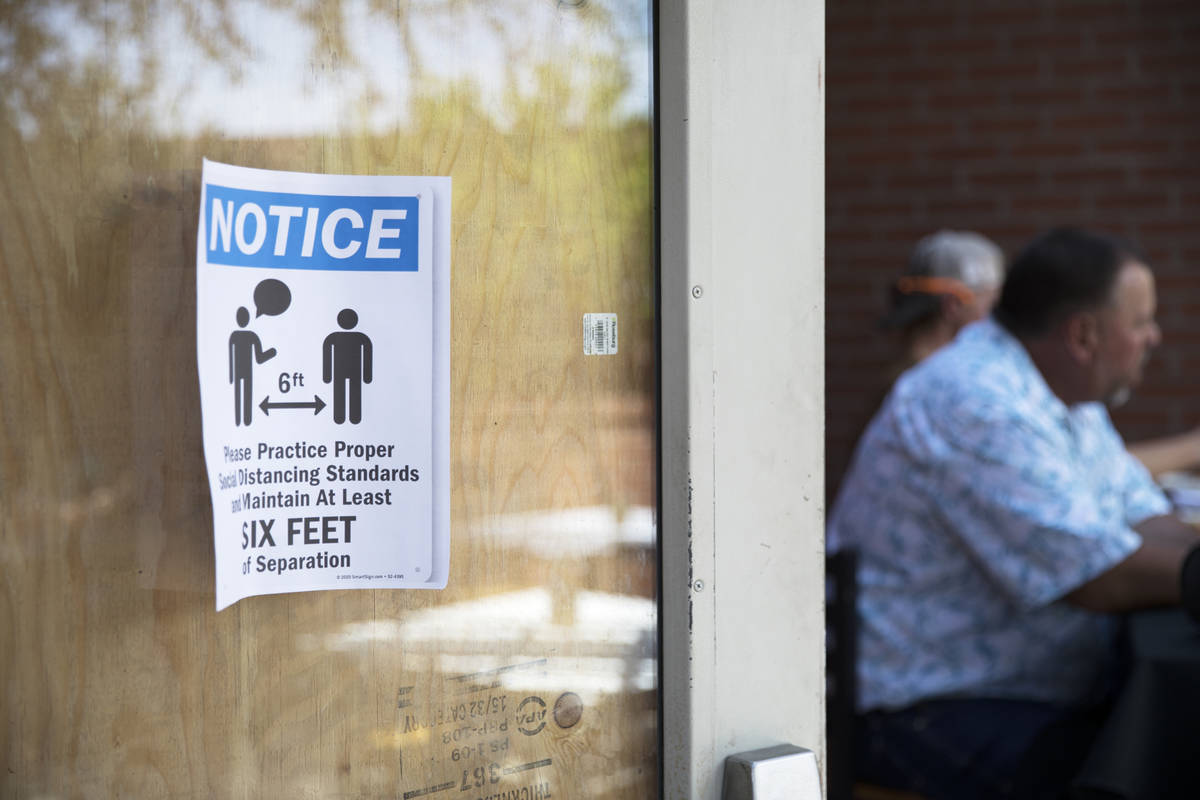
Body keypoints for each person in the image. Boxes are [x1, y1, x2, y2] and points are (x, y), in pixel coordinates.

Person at [828, 227, 1200, 800]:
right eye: (1141, 321)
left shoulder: (1061, 394)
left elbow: (1137, 512)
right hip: (922, 707)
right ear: (1084, 335)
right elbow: (1096, 576)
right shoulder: (975, 398)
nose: (1155, 337)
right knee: (1158, 769)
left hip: (1024, 687)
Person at [882, 230, 1200, 478]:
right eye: (994, 300)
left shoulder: (953, 373)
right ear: (953, 306)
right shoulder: (963, 391)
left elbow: (1096, 475)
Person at [880, 230, 1005, 383]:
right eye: (992, 304)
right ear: (953, 305)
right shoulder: (954, 386)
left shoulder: (905, 379)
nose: (996, 317)